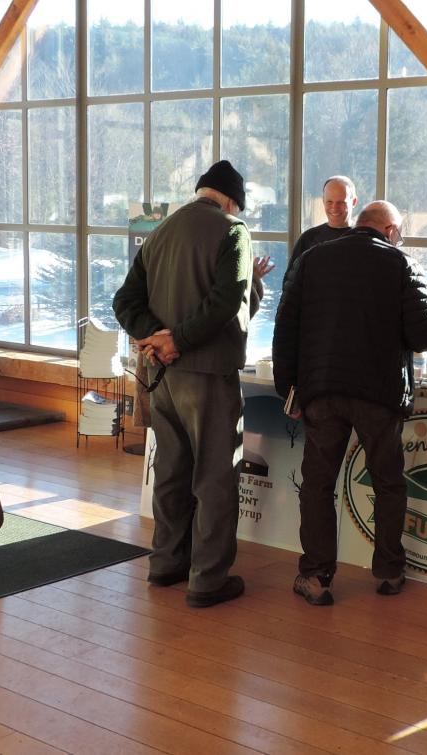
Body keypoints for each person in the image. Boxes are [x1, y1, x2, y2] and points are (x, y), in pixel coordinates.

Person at [272, 201, 427, 606]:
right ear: (390, 230)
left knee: (317, 485)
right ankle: (388, 572)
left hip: (322, 391)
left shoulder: (312, 259)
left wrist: (288, 389)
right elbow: (424, 336)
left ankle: (315, 576)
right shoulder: (402, 265)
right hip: (378, 395)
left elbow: (286, 326)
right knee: (387, 483)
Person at [112, 160, 256, 609]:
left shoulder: (160, 232)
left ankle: (165, 564)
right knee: (215, 475)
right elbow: (225, 303)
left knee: (170, 472)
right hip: (207, 374)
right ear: (233, 201)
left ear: (201, 191)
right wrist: (178, 339)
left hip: (161, 376)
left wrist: (157, 339)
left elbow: (124, 300)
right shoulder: (233, 232)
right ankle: (207, 579)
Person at [287, 176, 359, 268]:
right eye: (329, 202)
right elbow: (292, 279)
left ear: (354, 202)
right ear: (323, 201)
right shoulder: (308, 238)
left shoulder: (363, 238)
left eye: (341, 202)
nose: (334, 208)